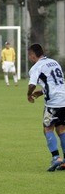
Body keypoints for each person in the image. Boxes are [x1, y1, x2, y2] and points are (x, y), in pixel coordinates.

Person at [26, 43, 65, 171]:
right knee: (61, 129)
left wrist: (29, 94)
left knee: (47, 129)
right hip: (63, 99)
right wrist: (41, 92)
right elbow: (55, 83)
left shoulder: (36, 67)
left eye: (29, 55)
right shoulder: (54, 62)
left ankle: (56, 158)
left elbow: (32, 84)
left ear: (32, 55)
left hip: (53, 102)